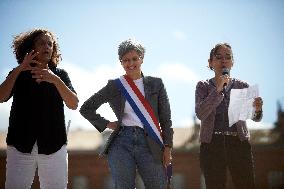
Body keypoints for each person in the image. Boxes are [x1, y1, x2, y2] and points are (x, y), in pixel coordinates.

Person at [80, 38, 173, 189]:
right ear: (121, 62)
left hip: (150, 142)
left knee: (158, 185)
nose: (130, 64)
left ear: (142, 58)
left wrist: (168, 147)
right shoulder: (115, 86)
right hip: (121, 142)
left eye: (134, 59)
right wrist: (108, 124)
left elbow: (166, 119)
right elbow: (86, 108)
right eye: (126, 60)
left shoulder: (156, 84)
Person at [0, 28, 79, 189]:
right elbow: (1, 97)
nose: (47, 47)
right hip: (19, 145)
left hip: (54, 145)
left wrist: (55, 80)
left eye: (50, 44)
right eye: (42, 43)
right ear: (31, 47)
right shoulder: (18, 74)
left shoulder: (60, 75)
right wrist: (20, 68)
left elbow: (74, 103)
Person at [195, 43, 263, 189]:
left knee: (246, 184)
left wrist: (257, 109)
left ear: (232, 62)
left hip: (238, 142)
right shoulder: (203, 85)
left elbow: (255, 118)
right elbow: (201, 113)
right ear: (210, 62)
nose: (223, 61)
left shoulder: (242, 85)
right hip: (212, 143)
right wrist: (218, 89)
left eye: (228, 57)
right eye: (218, 57)